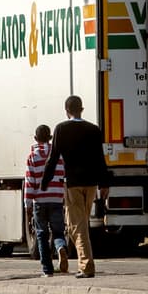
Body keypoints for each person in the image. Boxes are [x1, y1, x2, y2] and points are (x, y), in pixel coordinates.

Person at [42, 95, 109, 279]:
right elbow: (100, 159)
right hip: (91, 184)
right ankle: (84, 263)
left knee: (76, 227)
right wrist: (104, 183)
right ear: (82, 109)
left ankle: (86, 266)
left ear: (67, 110)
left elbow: (53, 158)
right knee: (82, 225)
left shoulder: (61, 129)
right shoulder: (94, 130)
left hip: (72, 184)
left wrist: (44, 183)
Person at [24, 124, 68, 277]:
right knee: (58, 231)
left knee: (41, 234)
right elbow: (63, 176)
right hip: (56, 198)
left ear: (35, 139)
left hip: (40, 201)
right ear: (50, 138)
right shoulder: (59, 156)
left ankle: (47, 269)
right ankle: (61, 247)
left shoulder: (32, 157)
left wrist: (27, 204)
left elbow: (30, 183)